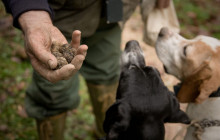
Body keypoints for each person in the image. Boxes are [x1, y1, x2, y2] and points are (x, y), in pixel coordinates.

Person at [2, 0, 170, 139]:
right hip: (58, 15)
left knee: (108, 73)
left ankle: (107, 133)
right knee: (53, 91)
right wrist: (32, 13)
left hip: (113, 11)